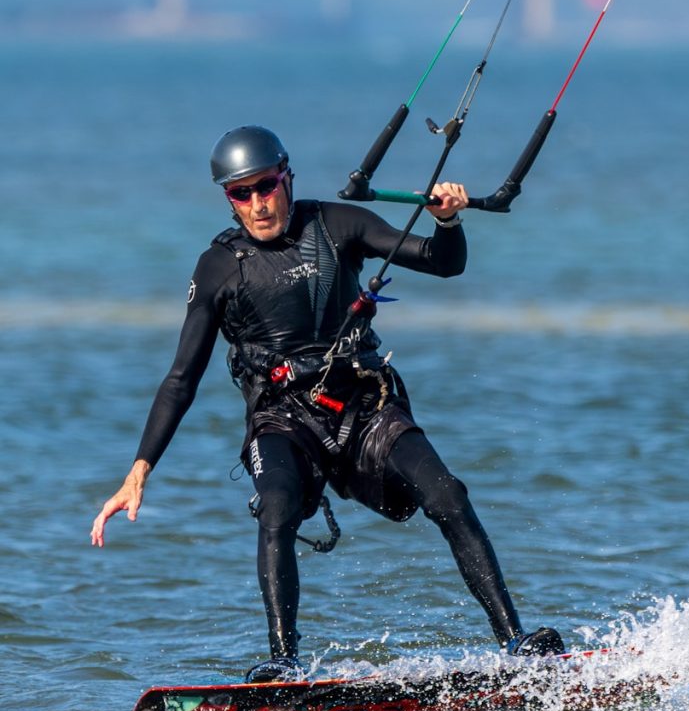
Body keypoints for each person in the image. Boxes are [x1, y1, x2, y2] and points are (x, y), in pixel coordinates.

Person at [91, 125, 564, 681]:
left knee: (448, 495)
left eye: (265, 186)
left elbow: (442, 262)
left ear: (287, 177)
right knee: (277, 510)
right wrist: (138, 472)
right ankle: (283, 664)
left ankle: (516, 643)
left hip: (363, 405)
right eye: (239, 194)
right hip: (281, 419)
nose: (257, 203)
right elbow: (180, 379)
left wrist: (448, 220)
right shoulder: (219, 267)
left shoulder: (338, 224)